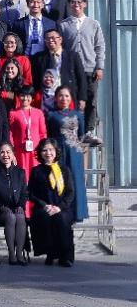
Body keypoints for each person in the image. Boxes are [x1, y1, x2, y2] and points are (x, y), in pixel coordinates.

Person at [59, 0, 105, 142]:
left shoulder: (93, 24)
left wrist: (100, 66)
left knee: (91, 100)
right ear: (69, 5)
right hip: (71, 70)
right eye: (73, 2)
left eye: (79, 2)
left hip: (90, 68)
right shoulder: (64, 25)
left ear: (85, 4)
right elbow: (60, 48)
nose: (76, 5)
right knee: (72, 100)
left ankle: (89, 131)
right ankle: (74, 131)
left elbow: (99, 47)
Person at [29, 138, 76, 267]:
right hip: (43, 207)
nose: (48, 153)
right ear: (40, 153)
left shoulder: (64, 170)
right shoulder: (36, 171)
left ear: (56, 151)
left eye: (51, 150)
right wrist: (44, 205)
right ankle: (50, 254)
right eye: (44, 150)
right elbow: (31, 193)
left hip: (62, 207)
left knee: (61, 219)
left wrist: (59, 207)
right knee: (44, 217)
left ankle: (65, 257)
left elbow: (70, 193)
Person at [45, 86, 89, 221]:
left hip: (75, 153)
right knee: (59, 181)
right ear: (56, 98)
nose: (63, 99)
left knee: (75, 181)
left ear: (71, 98)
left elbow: (82, 139)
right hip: (58, 152)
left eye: (66, 96)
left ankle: (77, 213)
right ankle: (60, 212)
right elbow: (48, 137)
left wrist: (85, 163)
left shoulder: (78, 115)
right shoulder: (51, 115)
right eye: (60, 95)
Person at [0, 143, 30, 265]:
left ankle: (19, 253)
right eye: (2, 152)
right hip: (0, 210)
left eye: (8, 152)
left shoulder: (20, 172)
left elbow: (24, 192)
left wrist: (21, 205)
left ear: (13, 155)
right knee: (11, 217)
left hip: (16, 207)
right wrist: (1, 207)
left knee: (20, 217)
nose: (5, 155)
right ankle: (12, 253)